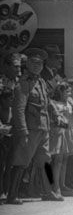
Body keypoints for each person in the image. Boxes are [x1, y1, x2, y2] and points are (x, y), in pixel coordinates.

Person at [8, 48, 63, 204]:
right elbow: (19, 109)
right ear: (27, 65)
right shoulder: (23, 84)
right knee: (22, 161)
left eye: (40, 63)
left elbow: (48, 101)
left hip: (43, 129)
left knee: (45, 160)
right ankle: (12, 195)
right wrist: (23, 132)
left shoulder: (41, 81)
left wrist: (56, 113)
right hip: (30, 130)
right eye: (34, 63)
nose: (38, 66)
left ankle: (48, 192)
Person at [48, 82, 73, 197]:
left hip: (69, 132)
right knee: (58, 160)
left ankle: (62, 184)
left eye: (70, 91)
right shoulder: (54, 102)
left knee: (65, 159)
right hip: (59, 132)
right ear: (60, 91)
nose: (69, 94)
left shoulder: (71, 102)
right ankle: (55, 186)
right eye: (67, 91)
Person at [0, 53, 22, 201]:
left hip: (15, 129)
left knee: (12, 164)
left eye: (20, 66)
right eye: (15, 66)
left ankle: (9, 193)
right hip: (2, 129)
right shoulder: (1, 83)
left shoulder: (20, 83)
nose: (18, 70)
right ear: (6, 66)